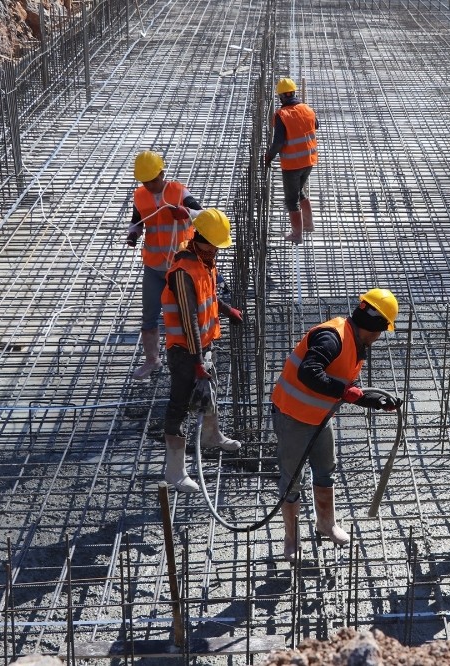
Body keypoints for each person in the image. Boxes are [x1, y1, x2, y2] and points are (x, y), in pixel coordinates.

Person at [271, 289, 402, 562]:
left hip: (319, 418)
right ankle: (291, 538)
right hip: (293, 417)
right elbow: (309, 372)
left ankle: (326, 524)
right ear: (374, 326)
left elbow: (348, 386)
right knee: (292, 480)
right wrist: (345, 391)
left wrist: (377, 401)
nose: (380, 337)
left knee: (325, 471)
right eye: (382, 330)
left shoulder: (356, 343)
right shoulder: (332, 337)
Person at [160, 208, 245, 493]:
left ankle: (212, 435)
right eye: (216, 245)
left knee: (210, 391)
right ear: (202, 239)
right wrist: (197, 362)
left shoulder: (204, 260)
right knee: (180, 406)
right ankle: (175, 471)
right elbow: (188, 322)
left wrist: (225, 308)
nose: (218, 251)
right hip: (185, 352)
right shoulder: (182, 273)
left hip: (203, 346)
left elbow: (208, 296)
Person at [126, 150, 204, 381]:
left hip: (179, 267)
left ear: (162, 173)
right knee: (149, 316)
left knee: (185, 315)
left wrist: (186, 212)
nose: (149, 185)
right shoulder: (140, 196)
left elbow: (202, 215)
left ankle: (193, 357)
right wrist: (133, 234)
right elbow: (136, 221)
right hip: (153, 266)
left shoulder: (179, 191)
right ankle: (152, 360)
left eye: (153, 180)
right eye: (145, 182)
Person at [263, 77, 319, 244]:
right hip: (309, 160)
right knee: (300, 191)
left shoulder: (282, 115)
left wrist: (269, 156)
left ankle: (297, 234)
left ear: (281, 97)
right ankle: (308, 225)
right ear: (293, 92)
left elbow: (278, 142)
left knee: (291, 199)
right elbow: (316, 125)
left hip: (292, 164)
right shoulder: (308, 109)